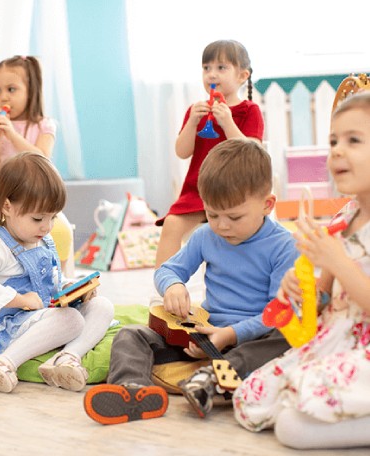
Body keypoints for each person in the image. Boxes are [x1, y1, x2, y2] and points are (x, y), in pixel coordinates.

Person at [84, 139, 298, 424]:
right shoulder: (205, 235)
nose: (221, 225)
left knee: (285, 337)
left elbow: (276, 314)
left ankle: (209, 381)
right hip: (202, 333)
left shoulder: (283, 246)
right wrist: (173, 286)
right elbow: (166, 271)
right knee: (130, 335)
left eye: (234, 216)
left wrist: (228, 335)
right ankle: (132, 391)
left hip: (251, 337)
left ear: (267, 205)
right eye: (212, 214)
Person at [232, 93, 370, 450]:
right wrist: (303, 288)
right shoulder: (344, 218)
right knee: (250, 399)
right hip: (335, 339)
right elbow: (324, 298)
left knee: (293, 427)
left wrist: (338, 261)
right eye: (333, 141)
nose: (337, 150)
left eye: (353, 140)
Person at [0, 151, 114, 393]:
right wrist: (20, 300)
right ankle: (3, 363)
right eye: (38, 218)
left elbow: (51, 281)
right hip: (10, 322)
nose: (47, 226)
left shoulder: (43, 240)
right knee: (71, 320)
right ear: (7, 206)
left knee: (103, 306)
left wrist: (74, 288)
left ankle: (66, 359)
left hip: (44, 315)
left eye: (53, 217)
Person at [154, 40, 264, 269]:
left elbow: (253, 151)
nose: (212, 74)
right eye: (206, 68)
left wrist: (228, 122)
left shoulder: (249, 110)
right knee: (172, 225)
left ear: (242, 75)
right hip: (199, 189)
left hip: (237, 190)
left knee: (236, 234)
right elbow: (182, 152)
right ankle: (163, 284)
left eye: (221, 68)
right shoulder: (197, 110)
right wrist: (193, 121)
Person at [0, 55, 74, 275]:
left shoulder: (43, 125)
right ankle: (19, 277)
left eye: (11, 89)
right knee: (11, 239)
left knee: (63, 232)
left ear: (31, 90)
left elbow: (43, 158)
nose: (3, 97)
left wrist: (12, 135)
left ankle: (58, 276)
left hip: (40, 203)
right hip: (7, 205)